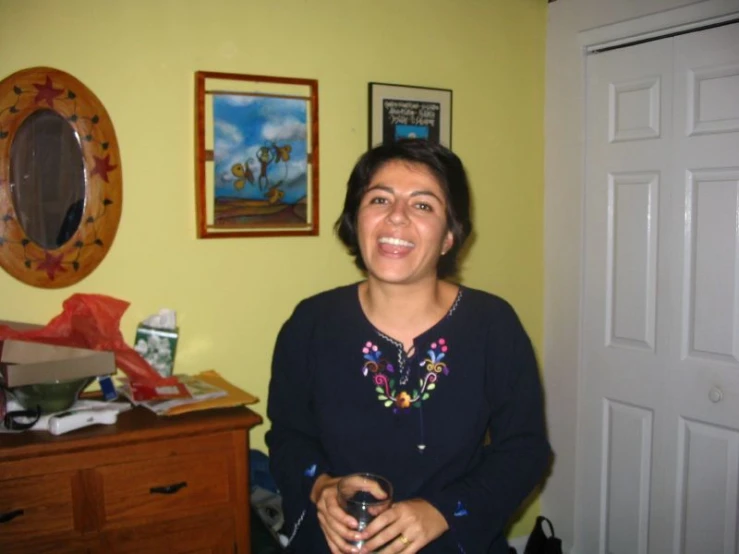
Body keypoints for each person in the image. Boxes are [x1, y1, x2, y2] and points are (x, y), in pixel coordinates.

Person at [267, 139, 551, 553]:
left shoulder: (493, 326)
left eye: (423, 205)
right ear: (356, 220)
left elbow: (525, 450)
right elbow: (288, 436)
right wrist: (321, 485)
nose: (396, 217)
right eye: (379, 199)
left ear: (449, 236)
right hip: (339, 543)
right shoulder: (310, 323)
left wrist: (442, 510)